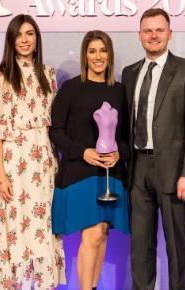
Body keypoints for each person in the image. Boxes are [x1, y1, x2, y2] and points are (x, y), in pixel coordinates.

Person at [121, 8, 185, 290]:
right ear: (140, 35)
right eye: (148, 31)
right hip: (138, 170)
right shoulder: (130, 72)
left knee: (176, 248)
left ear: (170, 33)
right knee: (140, 248)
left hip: (174, 172)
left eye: (159, 30)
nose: (153, 35)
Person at [0, 14, 65, 289]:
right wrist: (1, 174)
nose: (25, 40)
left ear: (36, 37)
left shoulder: (49, 74)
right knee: (15, 226)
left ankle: (42, 284)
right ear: (11, 40)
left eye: (30, 34)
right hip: (14, 159)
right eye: (19, 35)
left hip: (43, 159)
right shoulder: (2, 75)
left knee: (42, 226)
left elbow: (55, 122)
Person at [50, 30, 130, 290]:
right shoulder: (71, 88)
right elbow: (56, 131)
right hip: (80, 172)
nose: (98, 56)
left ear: (110, 54)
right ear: (85, 55)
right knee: (93, 234)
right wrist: (82, 151)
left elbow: (128, 136)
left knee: (102, 234)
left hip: (110, 174)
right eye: (92, 51)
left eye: (103, 50)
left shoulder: (119, 91)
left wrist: (120, 154)